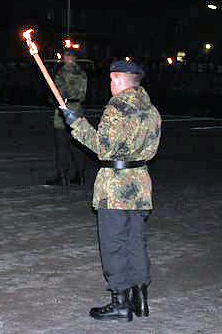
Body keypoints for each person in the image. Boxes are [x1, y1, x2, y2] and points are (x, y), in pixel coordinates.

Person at [61, 60, 161, 321]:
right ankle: (140, 297)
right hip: (139, 184)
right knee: (135, 240)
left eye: (111, 79)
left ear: (117, 80)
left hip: (116, 187)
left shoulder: (116, 108)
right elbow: (151, 148)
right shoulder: (151, 109)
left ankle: (120, 303)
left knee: (114, 243)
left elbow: (102, 147)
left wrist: (77, 123)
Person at [47, 48, 89, 186]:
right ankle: (80, 174)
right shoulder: (82, 73)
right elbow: (83, 93)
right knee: (77, 144)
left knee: (62, 144)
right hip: (78, 109)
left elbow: (58, 92)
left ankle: (62, 175)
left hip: (64, 110)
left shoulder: (62, 73)